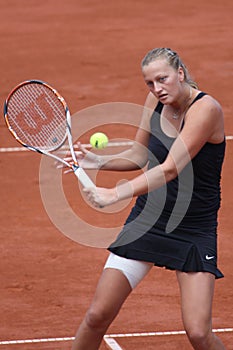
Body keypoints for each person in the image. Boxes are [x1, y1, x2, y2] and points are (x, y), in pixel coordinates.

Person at [70, 48, 226, 350]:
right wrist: (96, 161)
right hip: (148, 221)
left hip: (193, 230)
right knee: (96, 315)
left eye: (163, 79)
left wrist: (115, 193)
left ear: (180, 73)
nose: (157, 89)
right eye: (150, 83)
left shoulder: (206, 109)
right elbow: (141, 155)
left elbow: (169, 168)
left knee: (198, 333)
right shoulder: (155, 101)